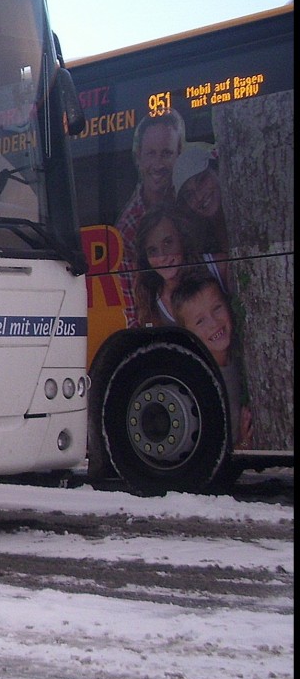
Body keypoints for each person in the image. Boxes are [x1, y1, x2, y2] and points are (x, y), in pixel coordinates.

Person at [115, 108, 186, 328]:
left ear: (179, 154)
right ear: (139, 157)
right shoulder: (127, 228)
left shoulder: (190, 196)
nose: (158, 164)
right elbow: (133, 310)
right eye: (150, 154)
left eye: (166, 153)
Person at [171, 272, 253, 450]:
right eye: (200, 321)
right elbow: (212, 455)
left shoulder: (239, 351)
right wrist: (244, 444)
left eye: (217, 308)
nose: (214, 323)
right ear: (188, 335)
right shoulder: (204, 387)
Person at [131, 205, 227, 327]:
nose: (162, 257)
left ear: (182, 238)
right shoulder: (151, 302)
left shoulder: (218, 267)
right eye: (152, 250)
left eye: (168, 242)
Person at [174, 148, 229, 256]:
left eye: (201, 180)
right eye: (189, 195)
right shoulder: (199, 247)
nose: (199, 197)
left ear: (217, 170)